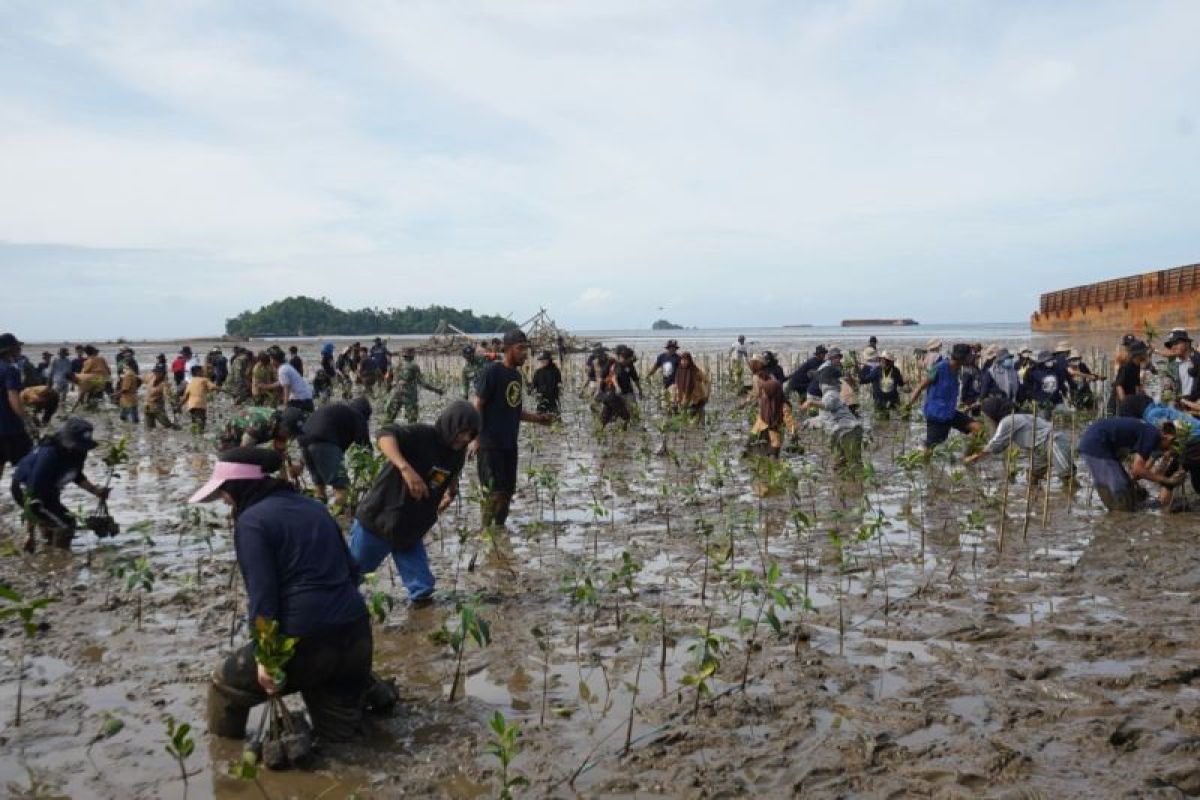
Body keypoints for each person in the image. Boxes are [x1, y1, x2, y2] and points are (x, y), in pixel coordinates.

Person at [192, 448, 374, 744]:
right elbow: (352, 572)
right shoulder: (315, 507)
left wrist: (266, 658)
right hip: (356, 634)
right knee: (342, 739)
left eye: (225, 492)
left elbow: (263, 595)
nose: (225, 500)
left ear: (240, 486)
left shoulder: (251, 522)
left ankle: (227, 763)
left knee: (224, 687)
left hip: (304, 640)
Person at [350, 402, 481, 603]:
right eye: (463, 431)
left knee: (423, 591)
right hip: (379, 520)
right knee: (348, 580)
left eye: (471, 435)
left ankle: (422, 628)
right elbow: (384, 435)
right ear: (451, 424)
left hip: (411, 529)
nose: (465, 438)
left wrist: (451, 491)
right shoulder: (421, 435)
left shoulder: (457, 454)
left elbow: (449, 474)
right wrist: (405, 468)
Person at [471, 329, 553, 529]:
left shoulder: (516, 376)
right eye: (520, 348)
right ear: (508, 349)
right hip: (489, 444)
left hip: (509, 444)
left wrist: (538, 419)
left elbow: (514, 409)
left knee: (507, 495)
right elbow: (477, 405)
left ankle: (499, 534)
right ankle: (485, 534)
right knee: (493, 494)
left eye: (526, 348)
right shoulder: (492, 372)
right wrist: (475, 438)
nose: (525, 353)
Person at [11, 418, 109, 552]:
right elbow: (31, 496)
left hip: (49, 489)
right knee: (67, 524)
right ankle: (61, 558)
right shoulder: (49, 455)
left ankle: (50, 554)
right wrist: (30, 534)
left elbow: (75, 474)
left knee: (52, 525)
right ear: (65, 439)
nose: (79, 449)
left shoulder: (78, 452)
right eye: (76, 445)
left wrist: (95, 490)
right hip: (25, 489)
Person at [1077, 416, 1181, 511]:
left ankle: (1121, 513)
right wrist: (1167, 480)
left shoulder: (1150, 432)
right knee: (1119, 487)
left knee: (1126, 485)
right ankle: (1119, 516)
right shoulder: (1152, 436)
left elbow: (1138, 470)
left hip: (1100, 441)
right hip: (1096, 443)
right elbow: (1138, 469)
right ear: (1168, 437)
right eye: (1172, 444)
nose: (1170, 448)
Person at [964, 397, 1074, 480]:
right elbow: (1000, 446)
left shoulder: (1007, 421)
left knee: (1067, 478)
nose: (988, 421)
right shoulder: (1019, 416)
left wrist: (974, 457)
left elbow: (995, 444)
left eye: (988, 417)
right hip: (1039, 448)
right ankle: (1037, 501)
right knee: (1033, 477)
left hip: (1053, 442)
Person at [297, 397, 373, 507]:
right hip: (324, 442)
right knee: (341, 484)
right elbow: (365, 447)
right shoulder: (358, 416)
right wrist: (372, 474)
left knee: (318, 481)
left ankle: (319, 505)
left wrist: (301, 463)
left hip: (303, 440)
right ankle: (338, 514)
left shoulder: (338, 411)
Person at [908, 343, 982, 450]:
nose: (971, 359)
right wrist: (908, 405)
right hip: (937, 415)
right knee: (930, 448)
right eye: (968, 356)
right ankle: (925, 464)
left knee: (978, 429)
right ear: (961, 358)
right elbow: (920, 386)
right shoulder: (939, 368)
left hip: (950, 413)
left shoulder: (958, 369)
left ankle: (967, 458)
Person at [0, 333, 33, 484]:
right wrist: (26, 420)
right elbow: (13, 396)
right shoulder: (10, 370)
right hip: (10, 427)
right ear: (10, 349)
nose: (19, 348)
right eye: (17, 346)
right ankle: (31, 499)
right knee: (29, 464)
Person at [385, 348, 443, 424]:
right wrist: (436, 390)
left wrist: (388, 388)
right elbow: (422, 383)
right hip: (409, 395)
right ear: (412, 356)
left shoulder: (396, 365)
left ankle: (385, 432)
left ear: (404, 356)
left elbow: (387, 377)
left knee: (390, 418)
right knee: (412, 420)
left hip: (396, 393)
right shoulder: (414, 366)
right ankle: (410, 434)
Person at [747, 369, 795, 458]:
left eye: (765, 392)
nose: (764, 394)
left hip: (764, 435)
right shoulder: (771, 404)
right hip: (764, 434)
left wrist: (793, 433)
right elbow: (789, 421)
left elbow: (789, 421)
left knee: (763, 459)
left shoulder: (776, 405)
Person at [218, 406, 305, 454]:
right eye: (290, 434)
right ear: (283, 427)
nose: (291, 438)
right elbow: (243, 452)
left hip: (247, 437)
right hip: (227, 438)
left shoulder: (282, 429)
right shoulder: (260, 424)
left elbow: (280, 455)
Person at [671, 351, 711, 421]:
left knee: (698, 419)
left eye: (686, 360)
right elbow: (676, 387)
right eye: (682, 360)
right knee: (684, 420)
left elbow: (707, 382)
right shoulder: (679, 372)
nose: (684, 362)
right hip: (684, 400)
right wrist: (674, 400)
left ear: (689, 361)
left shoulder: (695, 371)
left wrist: (706, 395)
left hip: (697, 399)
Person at [607, 345, 642, 420]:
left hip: (628, 391)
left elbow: (635, 378)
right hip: (617, 392)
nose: (626, 360)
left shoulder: (630, 365)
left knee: (634, 410)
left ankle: (636, 424)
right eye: (624, 358)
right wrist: (617, 387)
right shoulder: (616, 365)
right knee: (617, 413)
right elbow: (613, 378)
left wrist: (640, 390)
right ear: (620, 357)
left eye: (628, 359)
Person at [1112, 339, 1149, 411]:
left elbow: (1137, 386)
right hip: (1122, 404)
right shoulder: (1127, 367)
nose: (1146, 354)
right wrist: (1125, 404)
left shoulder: (1137, 366)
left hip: (1131, 401)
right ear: (1138, 354)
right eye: (1144, 352)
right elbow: (1119, 386)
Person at [181, 365, 217, 433]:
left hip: (191, 406)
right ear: (198, 372)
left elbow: (185, 397)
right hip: (200, 404)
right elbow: (213, 387)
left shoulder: (190, 383)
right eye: (202, 371)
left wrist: (179, 406)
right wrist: (227, 391)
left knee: (194, 421)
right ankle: (200, 434)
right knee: (201, 421)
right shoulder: (204, 380)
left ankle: (194, 434)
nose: (203, 372)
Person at [144, 365, 178, 430]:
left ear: (162, 373)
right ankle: (154, 439)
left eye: (158, 372)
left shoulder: (164, 384)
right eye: (155, 372)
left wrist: (174, 405)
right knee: (149, 429)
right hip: (147, 407)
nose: (156, 373)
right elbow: (140, 379)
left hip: (157, 409)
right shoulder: (151, 378)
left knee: (169, 426)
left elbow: (169, 397)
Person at [530, 352, 562, 417]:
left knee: (556, 419)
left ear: (549, 360)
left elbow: (559, 383)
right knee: (539, 419)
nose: (543, 361)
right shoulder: (538, 372)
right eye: (542, 360)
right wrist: (530, 389)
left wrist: (560, 389)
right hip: (541, 399)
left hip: (552, 399)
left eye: (545, 359)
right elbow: (534, 384)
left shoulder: (555, 371)